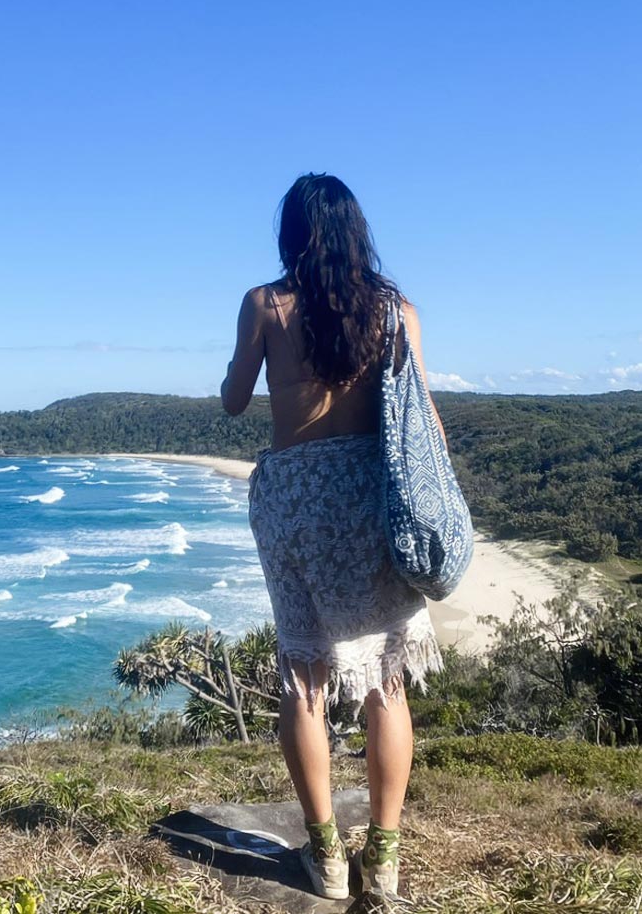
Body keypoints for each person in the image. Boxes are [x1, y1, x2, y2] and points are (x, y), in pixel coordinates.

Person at [220, 173, 444, 905]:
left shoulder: (265, 304)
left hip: (292, 499)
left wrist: (248, 361)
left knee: (304, 680)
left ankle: (324, 854)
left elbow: (232, 401)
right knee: (386, 681)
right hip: (370, 497)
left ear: (290, 234)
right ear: (356, 231)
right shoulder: (393, 311)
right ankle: (381, 857)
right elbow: (425, 425)